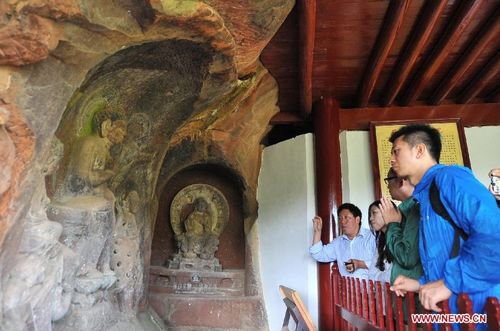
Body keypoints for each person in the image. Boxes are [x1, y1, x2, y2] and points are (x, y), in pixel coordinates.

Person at [388, 124, 500, 329]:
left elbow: (494, 235)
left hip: (481, 311)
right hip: (455, 314)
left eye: (397, 151)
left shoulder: (450, 178)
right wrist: (420, 283)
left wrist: (450, 282)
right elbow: (447, 253)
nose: (391, 159)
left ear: (419, 150)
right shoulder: (425, 198)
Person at [379, 168, 423, 285]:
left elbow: (407, 257)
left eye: (388, 180)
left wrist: (392, 224)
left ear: (401, 181)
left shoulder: (416, 207)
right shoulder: (404, 209)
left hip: (414, 289)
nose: (388, 186)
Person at [310, 203, 376, 278]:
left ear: (357, 219)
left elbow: (385, 264)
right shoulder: (338, 242)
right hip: (348, 288)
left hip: (373, 288)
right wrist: (317, 231)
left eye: (346, 218)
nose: (342, 222)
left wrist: (360, 264)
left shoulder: (372, 237)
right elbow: (318, 254)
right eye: (340, 218)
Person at [367, 200, 393, 283]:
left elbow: (393, 276)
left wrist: (378, 277)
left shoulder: (399, 236)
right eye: (370, 215)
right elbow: (371, 275)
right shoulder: (380, 241)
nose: (371, 218)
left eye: (374, 213)